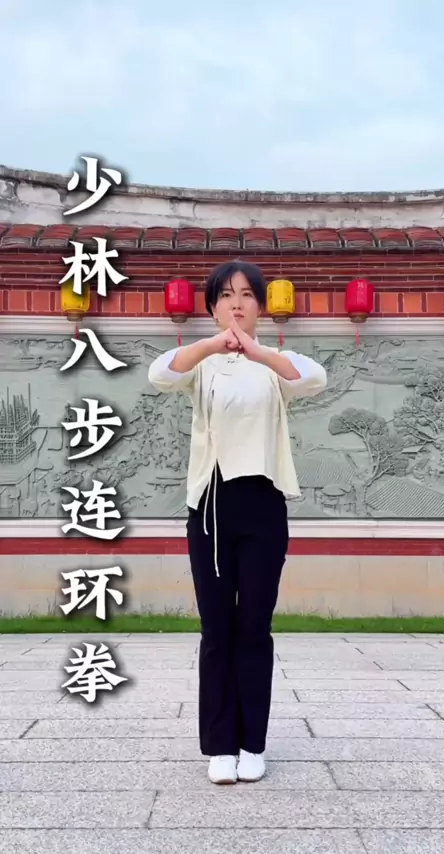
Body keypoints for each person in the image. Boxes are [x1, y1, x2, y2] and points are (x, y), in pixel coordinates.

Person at [148, 259, 327, 785]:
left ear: (260, 306)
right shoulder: (202, 364)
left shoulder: (275, 364)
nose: (237, 304)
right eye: (226, 295)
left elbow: (315, 378)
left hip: (263, 503)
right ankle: (221, 746)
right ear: (212, 307)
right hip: (210, 506)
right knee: (217, 628)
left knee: (254, 627)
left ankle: (253, 745)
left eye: (247, 295)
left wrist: (256, 351)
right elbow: (161, 373)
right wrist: (212, 345)